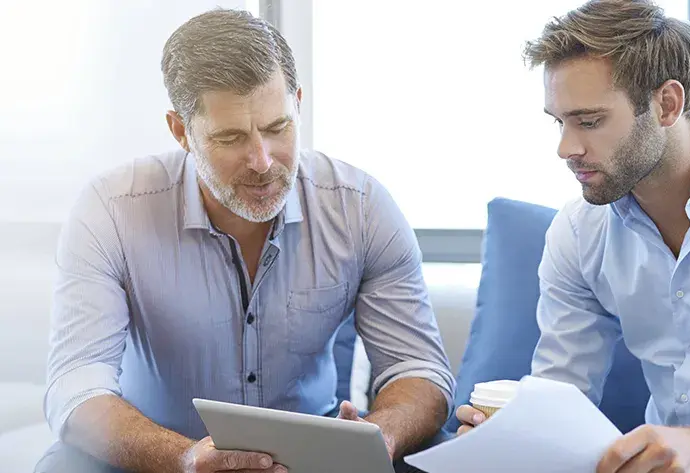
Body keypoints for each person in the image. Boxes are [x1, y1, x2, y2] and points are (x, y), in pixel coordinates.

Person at [35, 8, 454, 473]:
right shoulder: (110, 210)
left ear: (297, 101)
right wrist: (183, 458)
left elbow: (419, 369)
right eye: (231, 137)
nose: (261, 160)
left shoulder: (360, 207)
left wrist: (380, 435)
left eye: (277, 128)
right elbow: (76, 385)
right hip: (158, 458)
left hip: (314, 464)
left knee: (435, 446)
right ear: (181, 132)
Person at [456, 1, 690, 472]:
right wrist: (515, 438)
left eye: (590, 121)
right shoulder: (579, 233)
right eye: (559, 122)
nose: (565, 148)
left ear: (667, 104)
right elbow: (561, 402)